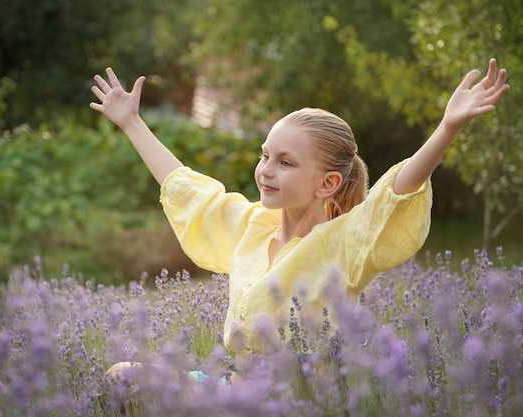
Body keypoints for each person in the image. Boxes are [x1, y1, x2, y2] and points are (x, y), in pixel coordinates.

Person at [90, 59, 508, 384]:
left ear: (326, 183)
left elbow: (394, 196)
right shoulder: (254, 226)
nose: (266, 170)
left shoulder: (343, 242)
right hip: (225, 389)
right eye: (264, 155)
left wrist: (447, 129)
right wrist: (131, 122)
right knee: (122, 377)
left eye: (285, 162)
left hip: (291, 402)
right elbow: (190, 192)